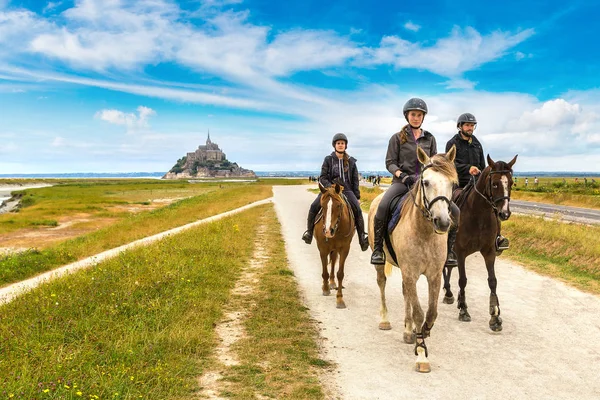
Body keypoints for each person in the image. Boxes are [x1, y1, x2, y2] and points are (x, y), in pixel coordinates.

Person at [371, 98, 441, 265]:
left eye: (419, 115)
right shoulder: (397, 138)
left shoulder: (430, 139)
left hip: (424, 183)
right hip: (402, 182)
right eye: (413, 114)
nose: (416, 117)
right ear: (407, 116)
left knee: (451, 208)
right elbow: (390, 162)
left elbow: (434, 162)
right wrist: (402, 175)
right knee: (383, 206)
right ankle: (378, 249)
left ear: (423, 117)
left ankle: (449, 250)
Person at [444, 113, 509, 266]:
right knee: (451, 203)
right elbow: (450, 164)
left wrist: (482, 173)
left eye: (472, 125)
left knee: (492, 204)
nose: (470, 128)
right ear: (460, 126)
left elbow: (481, 164)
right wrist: (468, 168)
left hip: (475, 183)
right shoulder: (452, 143)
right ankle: (448, 236)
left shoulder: (477, 143)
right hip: (458, 183)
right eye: (467, 125)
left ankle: (497, 238)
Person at [301, 133, 369, 251]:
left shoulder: (351, 162)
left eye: (342, 143)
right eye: (338, 143)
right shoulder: (328, 159)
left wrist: (357, 196)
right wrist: (329, 187)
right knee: (313, 206)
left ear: (345, 145)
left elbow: (354, 180)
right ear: (334, 145)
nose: (340, 145)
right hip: (330, 190)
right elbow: (322, 177)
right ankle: (309, 233)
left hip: (346, 190)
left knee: (357, 209)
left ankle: (362, 237)